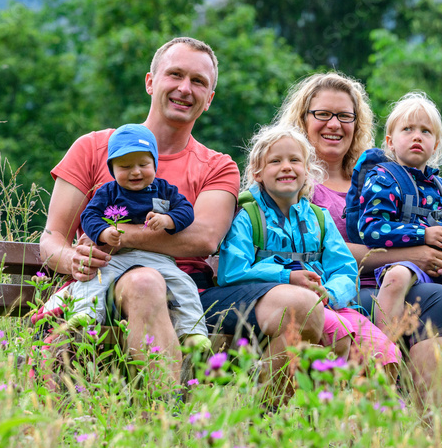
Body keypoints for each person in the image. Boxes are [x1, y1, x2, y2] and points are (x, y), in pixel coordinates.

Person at [35, 37, 323, 392]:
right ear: (150, 82)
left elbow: (204, 238)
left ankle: (261, 427)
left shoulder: (217, 166)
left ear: (209, 100)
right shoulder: (94, 147)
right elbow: (51, 238)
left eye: (199, 82)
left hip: (193, 294)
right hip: (104, 285)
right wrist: (72, 259)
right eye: (175, 75)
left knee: (302, 306)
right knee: (145, 282)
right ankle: (161, 423)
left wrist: (119, 236)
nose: (185, 89)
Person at [275, 72, 442, 421]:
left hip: (421, 280)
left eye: (345, 116)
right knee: (438, 299)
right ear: (302, 119)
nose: (334, 125)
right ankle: (432, 434)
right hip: (348, 292)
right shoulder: (290, 179)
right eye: (322, 114)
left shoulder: (386, 175)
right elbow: (321, 251)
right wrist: (411, 255)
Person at [217, 124, 401, 371]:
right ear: (258, 173)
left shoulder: (320, 218)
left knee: (387, 355)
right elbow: (231, 271)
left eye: (295, 160)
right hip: (279, 304)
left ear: (307, 171)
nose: (286, 166)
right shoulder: (248, 217)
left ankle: (361, 408)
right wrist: (287, 276)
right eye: (275, 161)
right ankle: (298, 402)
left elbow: (345, 270)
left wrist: (330, 293)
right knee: (338, 333)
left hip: (331, 304)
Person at [37, 123, 208, 345]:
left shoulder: (165, 189)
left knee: (183, 282)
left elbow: (185, 211)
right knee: (94, 279)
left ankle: (192, 331)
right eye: (125, 166)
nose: (135, 171)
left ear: (154, 164)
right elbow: (89, 216)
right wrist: (104, 233)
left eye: (143, 164)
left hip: (157, 257)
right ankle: (85, 314)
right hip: (117, 256)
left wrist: (168, 220)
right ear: (113, 169)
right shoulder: (108, 191)